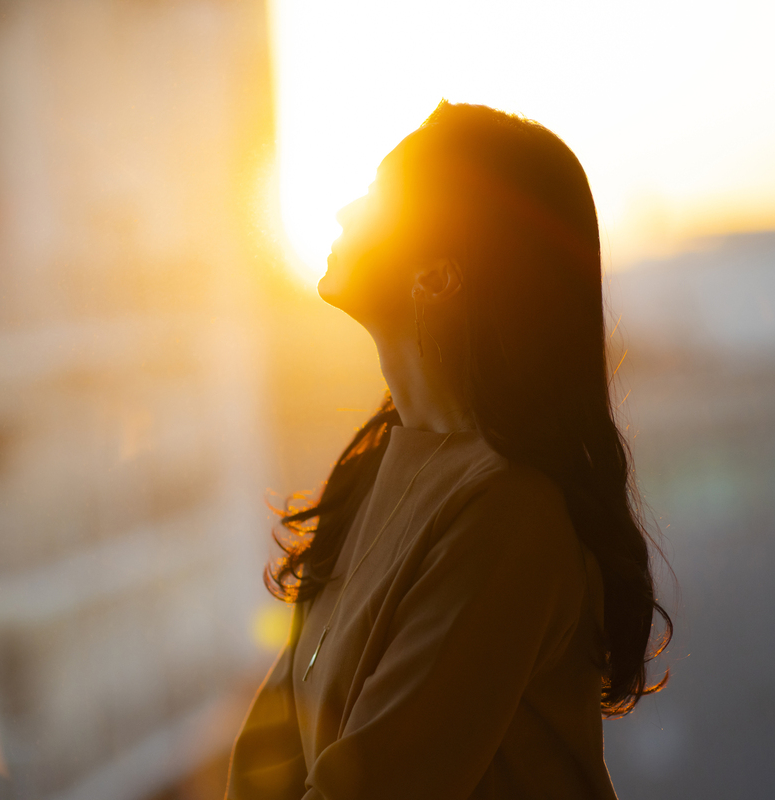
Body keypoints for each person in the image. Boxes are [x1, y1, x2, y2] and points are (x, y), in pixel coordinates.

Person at [225, 101, 671, 800]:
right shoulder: (372, 478)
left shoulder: (509, 517)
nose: (343, 211)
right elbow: (267, 757)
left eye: (377, 199)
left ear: (440, 273)